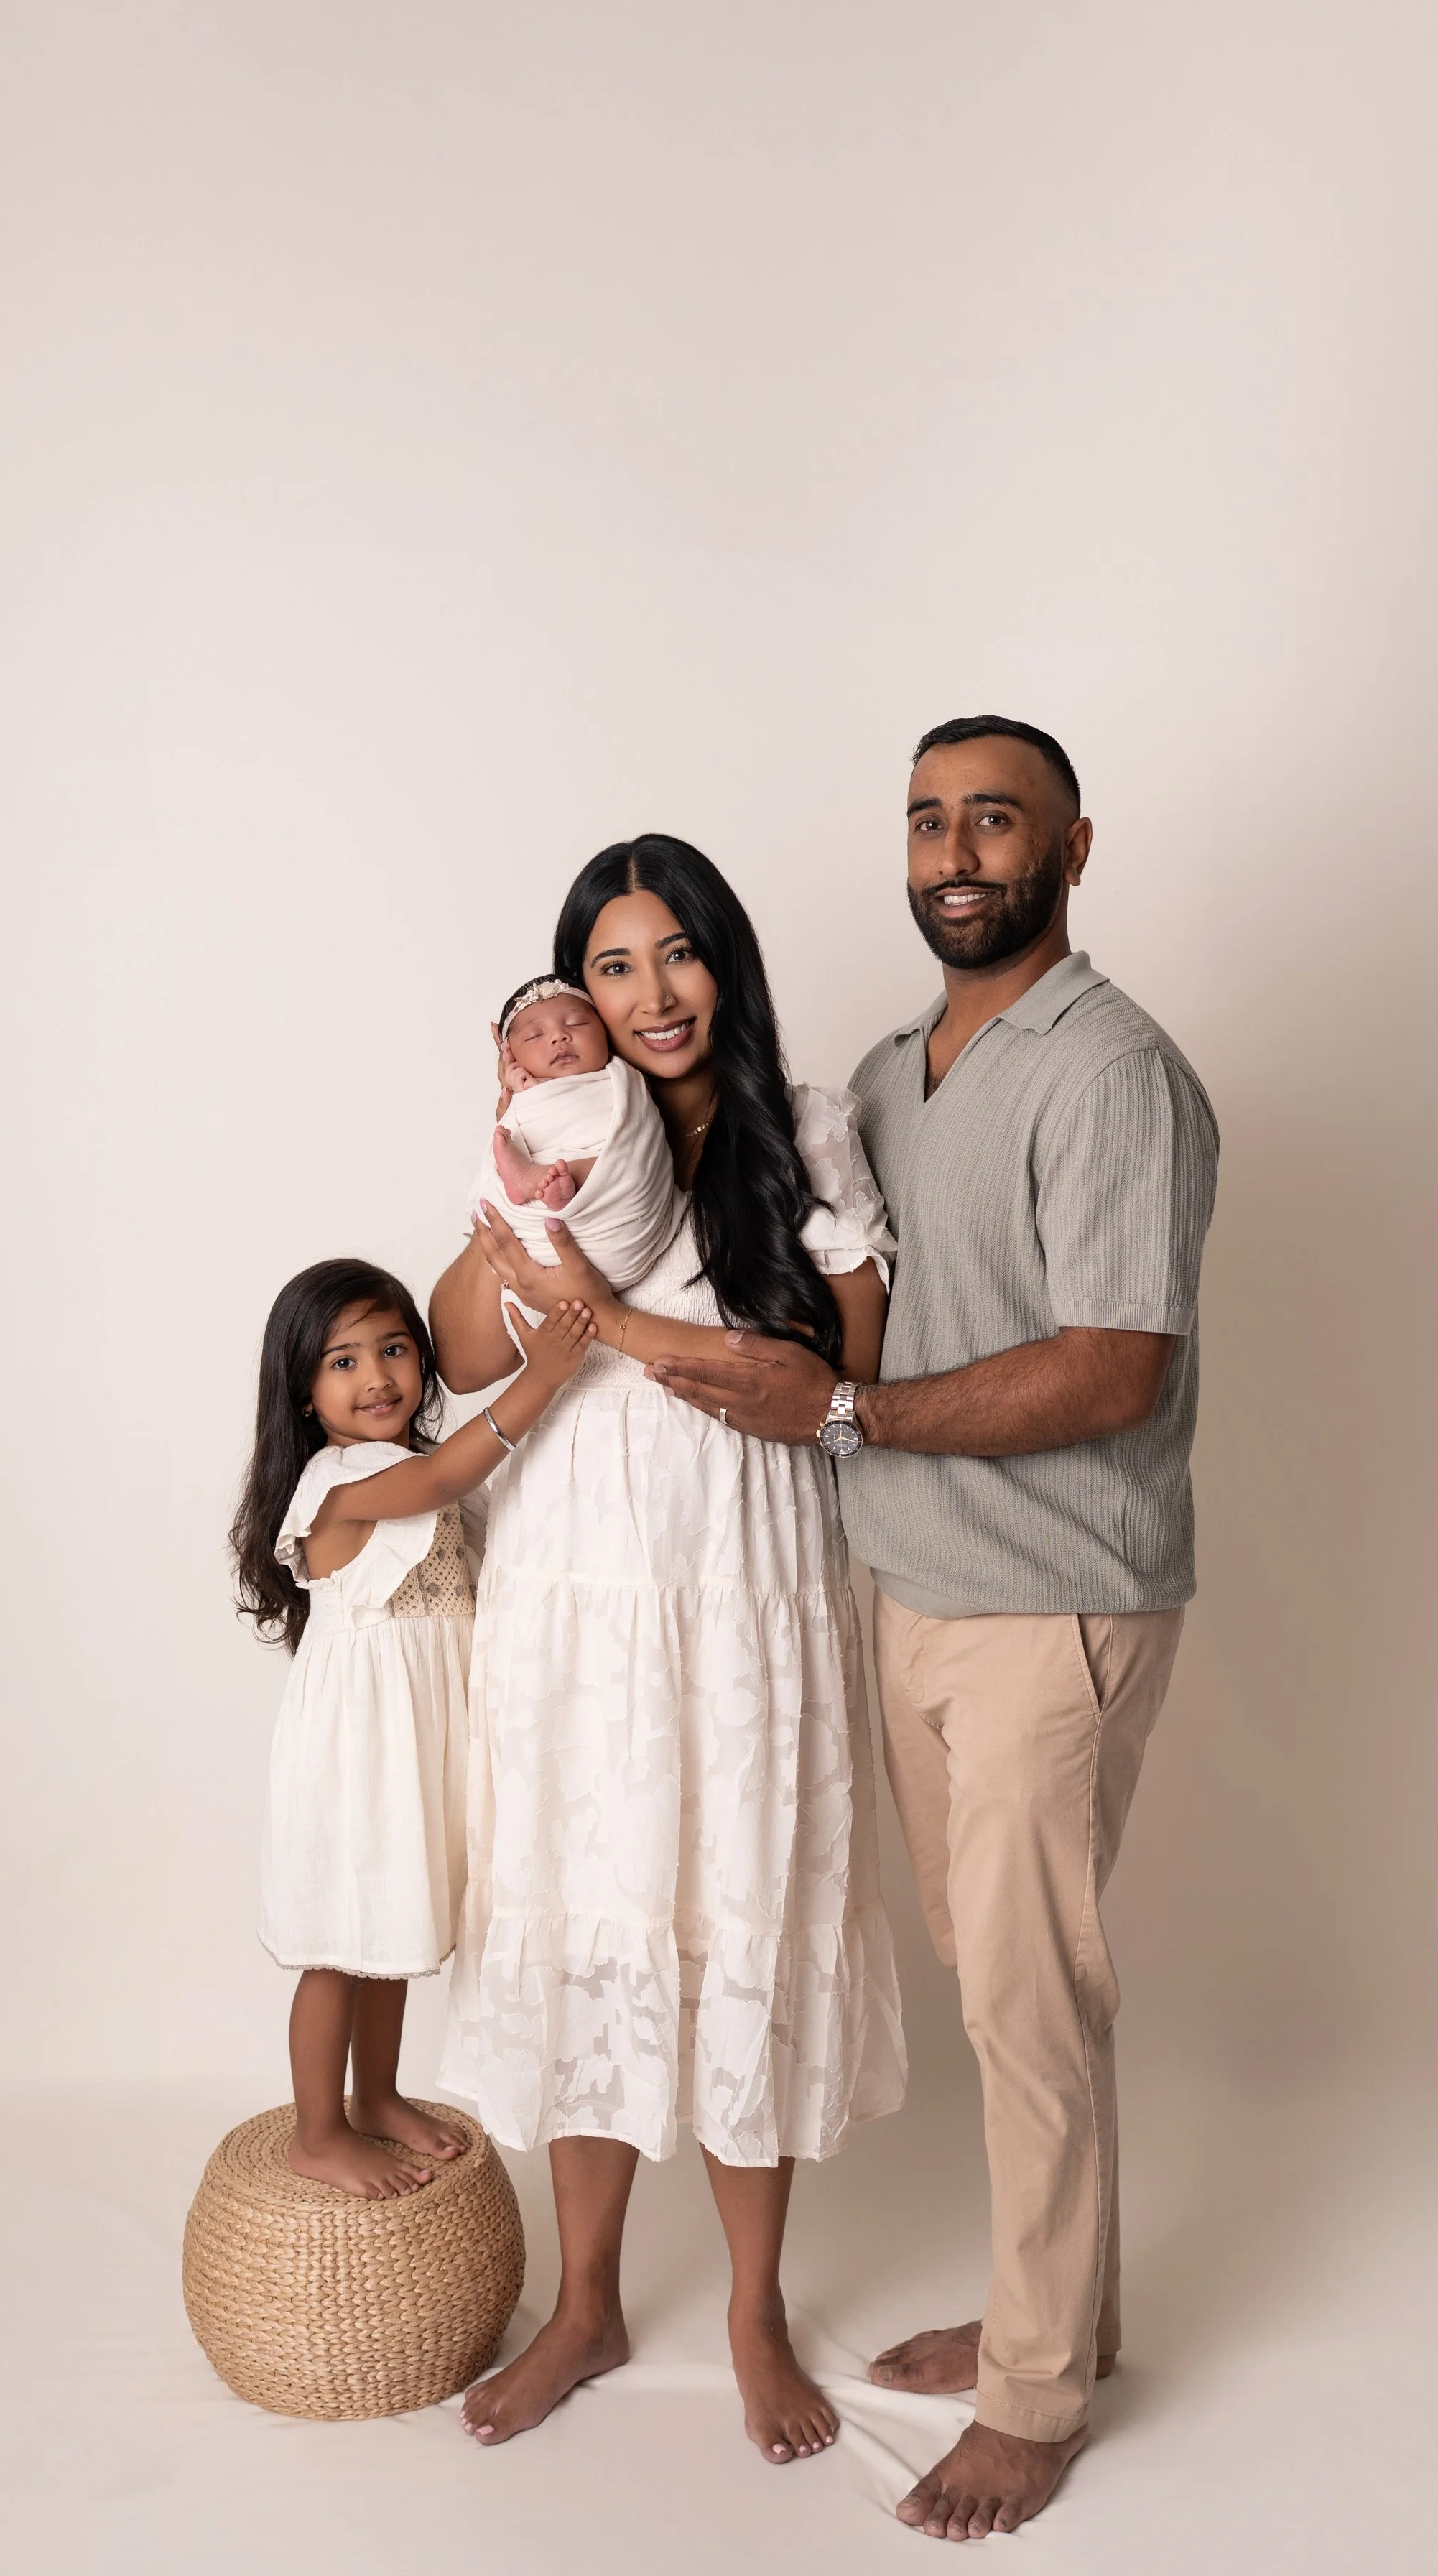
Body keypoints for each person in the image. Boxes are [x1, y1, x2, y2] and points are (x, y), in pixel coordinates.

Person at [651, 718, 1218, 2538]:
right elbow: (829, 1272)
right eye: (928, 819)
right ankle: (1066, 2313)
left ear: (1070, 844)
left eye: (997, 818)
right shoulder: (891, 1073)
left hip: (1048, 1601)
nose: (957, 849)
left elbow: (1115, 1363)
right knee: (1000, 1989)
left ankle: (1037, 2392)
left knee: (1031, 1999)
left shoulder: (1113, 1067)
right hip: (908, 1589)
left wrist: (842, 1418)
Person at [428, 833, 907, 2465]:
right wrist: (509, 1209)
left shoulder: (807, 1124)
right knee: (592, 1904)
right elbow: (458, 1341)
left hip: (741, 1565)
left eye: (678, 953)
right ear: (569, 995)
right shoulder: (560, 1130)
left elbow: (843, 1372)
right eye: (611, 966)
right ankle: (585, 2299)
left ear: (728, 961)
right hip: (576, 1564)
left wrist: (621, 1322)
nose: (650, 994)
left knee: (737, 1901)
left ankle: (755, 2308)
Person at [229, 1255, 594, 2197]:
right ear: (304, 1394)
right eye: (343, 1362)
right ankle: (319, 2128)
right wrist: (541, 1377)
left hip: (413, 1750)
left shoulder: (404, 1469)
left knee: (383, 1935)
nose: (378, 1376)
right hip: (358, 1752)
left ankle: (377, 2094)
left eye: (393, 1348)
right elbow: (443, 1475)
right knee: (337, 1948)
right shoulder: (336, 1481)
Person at [473, 974, 678, 1281]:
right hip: (543, 1243)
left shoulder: (624, 1079)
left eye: (577, 1024)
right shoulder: (523, 1095)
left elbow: (642, 1141)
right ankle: (536, 1180)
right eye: (534, 1036)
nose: (559, 1037)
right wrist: (523, 1097)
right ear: (508, 1054)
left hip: (626, 1227)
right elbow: (521, 1127)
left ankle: (537, 1180)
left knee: (630, 1163)